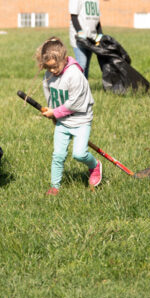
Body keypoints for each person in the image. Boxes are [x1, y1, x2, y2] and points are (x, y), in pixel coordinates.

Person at [35, 37, 101, 195]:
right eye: (48, 67)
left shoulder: (74, 75)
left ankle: (95, 165)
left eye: (55, 67)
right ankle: (55, 186)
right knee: (58, 155)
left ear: (64, 58)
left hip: (81, 120)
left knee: (79, 154)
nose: (52, 71)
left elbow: (75, 103)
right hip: (63, 122)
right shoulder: (49, 75)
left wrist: (55, 112)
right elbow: (49, 96)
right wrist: (53, 113)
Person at [68, 0, 102, 78]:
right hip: (79, 38)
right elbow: (74, 17)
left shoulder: (95, 0)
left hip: (91, 38)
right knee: (82, 63)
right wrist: (80, 32)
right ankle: (77, 88)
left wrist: (100, 35)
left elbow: (97, 20)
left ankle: (84, 89)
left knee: (86, 65)